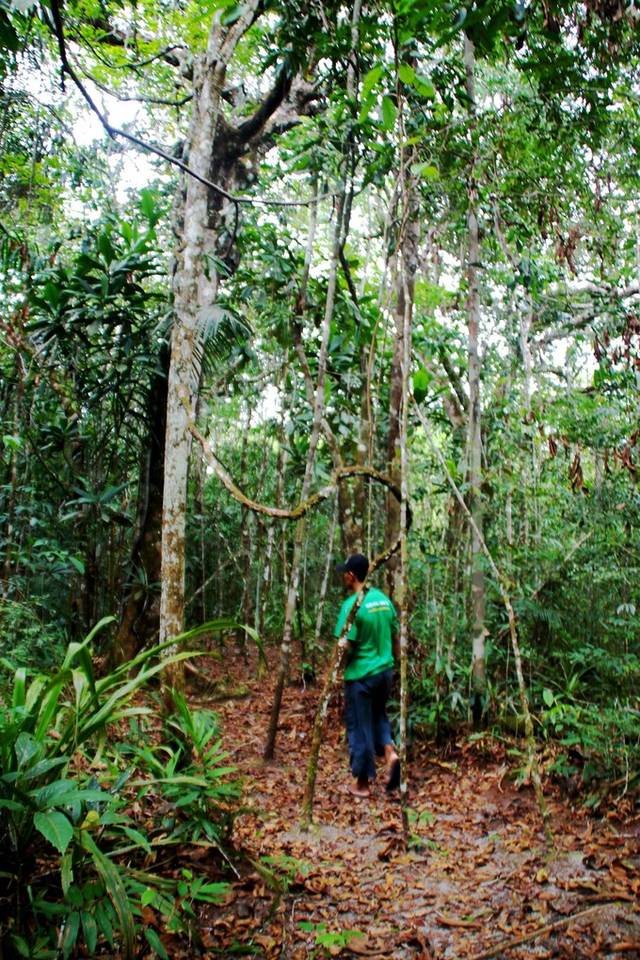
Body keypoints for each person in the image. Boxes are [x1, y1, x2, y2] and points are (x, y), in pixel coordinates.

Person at [334, 553, 401, 798]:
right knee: (379, 716)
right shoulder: (383, 600)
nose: (343, 576)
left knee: (359, 725)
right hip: (384, 672)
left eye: (345, 573)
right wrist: (394, 663)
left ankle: (361, 783)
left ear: (351, 576)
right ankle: (390, 753)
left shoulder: (352, 606)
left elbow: (346, 645)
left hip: (361, 676)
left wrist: (334, 671)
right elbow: (395, 636)